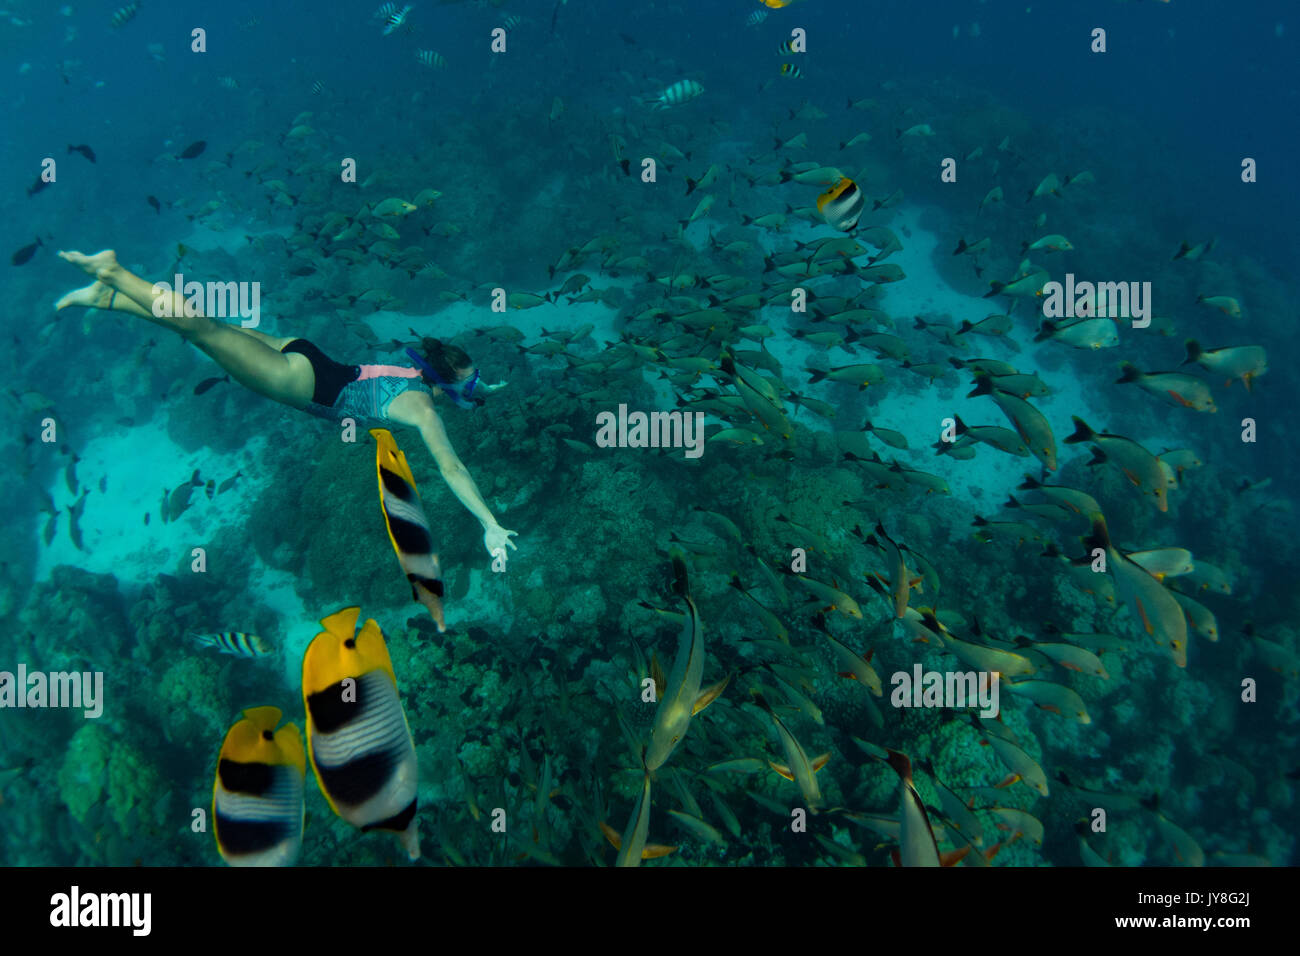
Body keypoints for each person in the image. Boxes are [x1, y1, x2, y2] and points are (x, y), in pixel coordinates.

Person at [55, 248, 518, 567]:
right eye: (471, 382)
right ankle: (115, 273)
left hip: (307, 354)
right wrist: (490, 524)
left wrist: (486, 387)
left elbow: (461, 386)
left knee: (210, 327)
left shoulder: (420, 376)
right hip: (302, 384)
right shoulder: (423, 410)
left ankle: (110, 298)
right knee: (203, 333)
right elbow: (452, 468)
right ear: (443, 383)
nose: (474, 388)